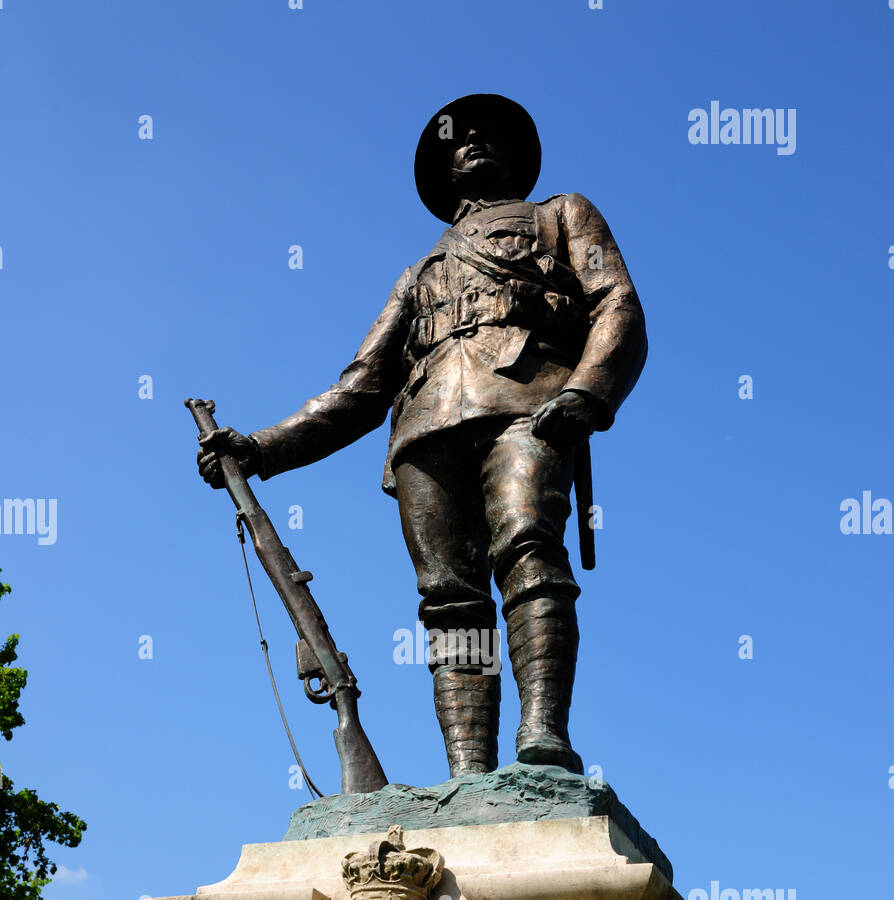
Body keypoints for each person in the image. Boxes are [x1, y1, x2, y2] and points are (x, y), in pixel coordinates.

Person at [198, 93, 647, 778]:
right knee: (448, 598)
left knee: (529, 544)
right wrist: (260, 448)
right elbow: (359, 388)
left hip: (529, 405)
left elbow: (616, 302)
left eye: (488, 134)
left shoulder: (563, 215)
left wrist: (588, 390)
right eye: (458, 139)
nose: (472, 142)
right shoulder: (419, 275)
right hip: (426, 432)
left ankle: (542, 737)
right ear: (442, 171)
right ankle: (468, 771)